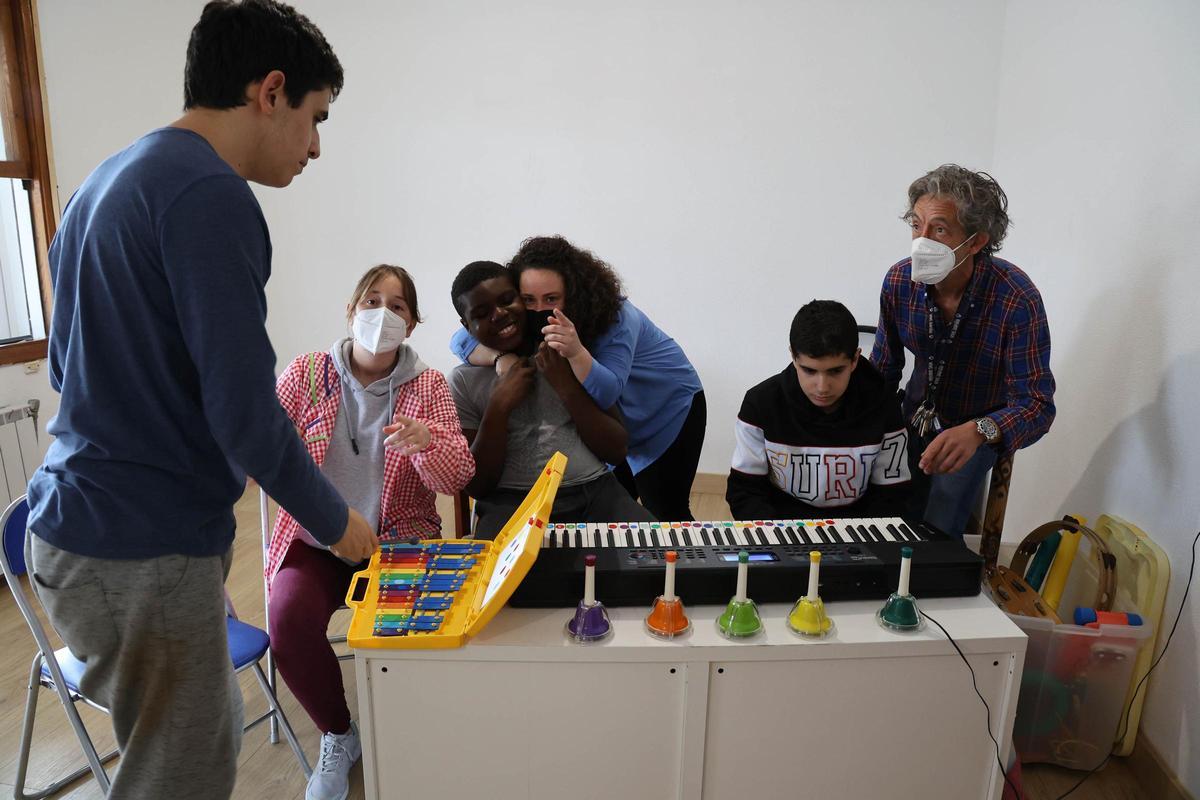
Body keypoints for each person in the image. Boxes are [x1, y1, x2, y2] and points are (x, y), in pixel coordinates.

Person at [22, 3, 377, 798]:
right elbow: (246, 414)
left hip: (74, 527)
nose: (317, 145)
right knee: (181, 775)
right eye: (316, 119)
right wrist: (337, 523)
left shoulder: (102, 183)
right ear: (272, 91)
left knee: (163, 760)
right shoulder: (209, 196)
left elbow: (63, 370)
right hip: (137, 548)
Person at [266, 265, 473, 800]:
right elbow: (261, 447)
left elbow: (457, 477)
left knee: (411, 638)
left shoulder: (428, 386)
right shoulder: (307, 373)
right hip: (317, 541)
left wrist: (428, 441)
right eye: (372, 300)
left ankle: (411, 735)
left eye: (398, 306)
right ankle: (339, 734)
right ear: (350, 309)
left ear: (414, 321)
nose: (382, 314)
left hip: (398, 541)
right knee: (286, 620)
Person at [450, 236, 705, 521]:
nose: (539, 310)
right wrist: (500, 359)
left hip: (666, 408)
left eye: (551, 298)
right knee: (617, 501)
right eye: (528, 299)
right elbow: (460, 340)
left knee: (666, 510)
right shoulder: (495, 349)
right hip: (605, 425)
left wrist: (575, 357)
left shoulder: (615, 318)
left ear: (574, 294)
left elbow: (607, 392)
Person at [871, 164, 1055, 538]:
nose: (921, 240)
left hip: (976, 426)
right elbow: (884, 370)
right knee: (882, 512)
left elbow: (1037, 404)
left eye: (939, 229)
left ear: (975, 242)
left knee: (941, 517)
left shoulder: (1016, 298)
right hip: (912, 417)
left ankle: (932, 577)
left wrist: (980, 431)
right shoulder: (898, 282)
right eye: (916, 224)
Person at [448, 261, 655, 537]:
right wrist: (498, 406)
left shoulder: (566, 354)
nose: (499, 315)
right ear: (466, 325)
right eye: (482, 313)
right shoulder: (463, 381)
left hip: (593, 490)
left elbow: (616, 450)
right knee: (512, 576)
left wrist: (566, 385)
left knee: (655, 559)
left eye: (508, 300)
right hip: (511, 502)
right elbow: (479, 485)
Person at [727, 300, 911, 520]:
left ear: (854, 359)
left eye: (835, 371)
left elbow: (891, 498)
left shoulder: (883, 404)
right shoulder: (760, 404)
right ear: (793, 357)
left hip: (858, 531)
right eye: (809, 371)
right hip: (781, 527)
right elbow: (745, 492)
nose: (822, 387)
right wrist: (777, 541)